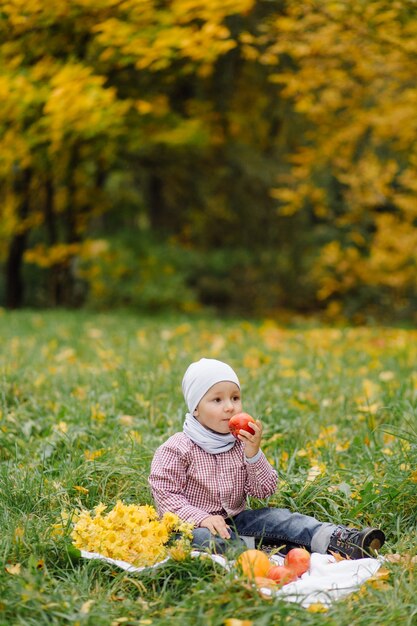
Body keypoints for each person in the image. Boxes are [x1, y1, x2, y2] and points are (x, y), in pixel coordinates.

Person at [149, 358, 385, 558]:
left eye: (235, 397)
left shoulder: (240, 443)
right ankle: (261, 553)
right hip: (191, 526)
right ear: (195, 408)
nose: (230, 407)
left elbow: (264, 490)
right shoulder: (177, 448)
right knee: (203, 541)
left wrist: (253, 454)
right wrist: (202, 518)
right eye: (217, 400)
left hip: (235, 521)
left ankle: (342, 540)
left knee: (280, 519)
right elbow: (165, 496)